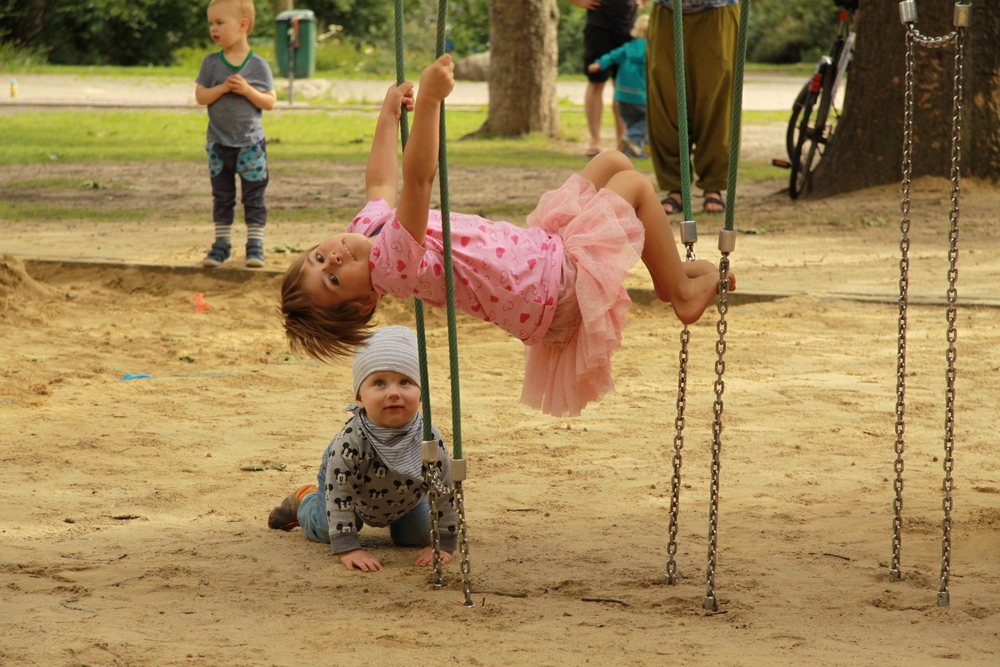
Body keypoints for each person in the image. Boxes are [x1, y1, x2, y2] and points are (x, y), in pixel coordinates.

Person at [280, 55, 735, 418]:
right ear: (365, 302)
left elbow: (380, 183)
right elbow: (417, 181)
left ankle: (665, 274)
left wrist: (386, 116)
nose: (331, 262)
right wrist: (433, 103)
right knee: (633, 188)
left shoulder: (366, 231)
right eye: (333, 281)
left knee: (613, 163)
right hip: (549, 287)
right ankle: (679, 290)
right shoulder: (392, 265)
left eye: (317, 261)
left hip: (536, 257)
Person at [267, 326, 457, 572]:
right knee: (328, 529)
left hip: (405, 499)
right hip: (347, 492)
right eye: (379, 383)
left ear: (421, 394)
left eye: (405, 381)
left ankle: (402, 523)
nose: (394, 393)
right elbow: (340, 490)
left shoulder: (429, 438)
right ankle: (307, 500)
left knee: (417, 536)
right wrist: (349, 548)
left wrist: (445, 543)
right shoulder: (351, 441)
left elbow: (444, 487)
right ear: (359, 396)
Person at [195, 0, 277, 268]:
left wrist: (246, 90)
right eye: (211, 23)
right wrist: (221, 89)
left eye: (220, 23)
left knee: (253, 197)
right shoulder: (210, 63)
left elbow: (270, 101)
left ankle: (255, 246)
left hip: (250, 144)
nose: (213, 29)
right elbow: (200, 96)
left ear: (243, 26)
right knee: (222, 196)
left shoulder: (257, 65)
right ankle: (221, 246)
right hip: (218, 144)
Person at [647, 0, 739, 215]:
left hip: (717, 12)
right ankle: (674, 187)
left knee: (715, 100)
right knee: (665, 100)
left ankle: (713, 187)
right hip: (667, 12)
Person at [571, 0, 647, 157]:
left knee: (621, 83)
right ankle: (595, 141)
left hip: (628, 26)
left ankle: (622, 142)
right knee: (596, 82)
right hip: (599, 25)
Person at [587, 14, 650, 158]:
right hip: (640, 95)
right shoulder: (652, 50)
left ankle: (634, 152)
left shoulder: (627, 47)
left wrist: (599, 63)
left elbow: (613, 55)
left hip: (622, 96)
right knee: (648, 122)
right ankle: (632, 138)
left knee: (633, 122)